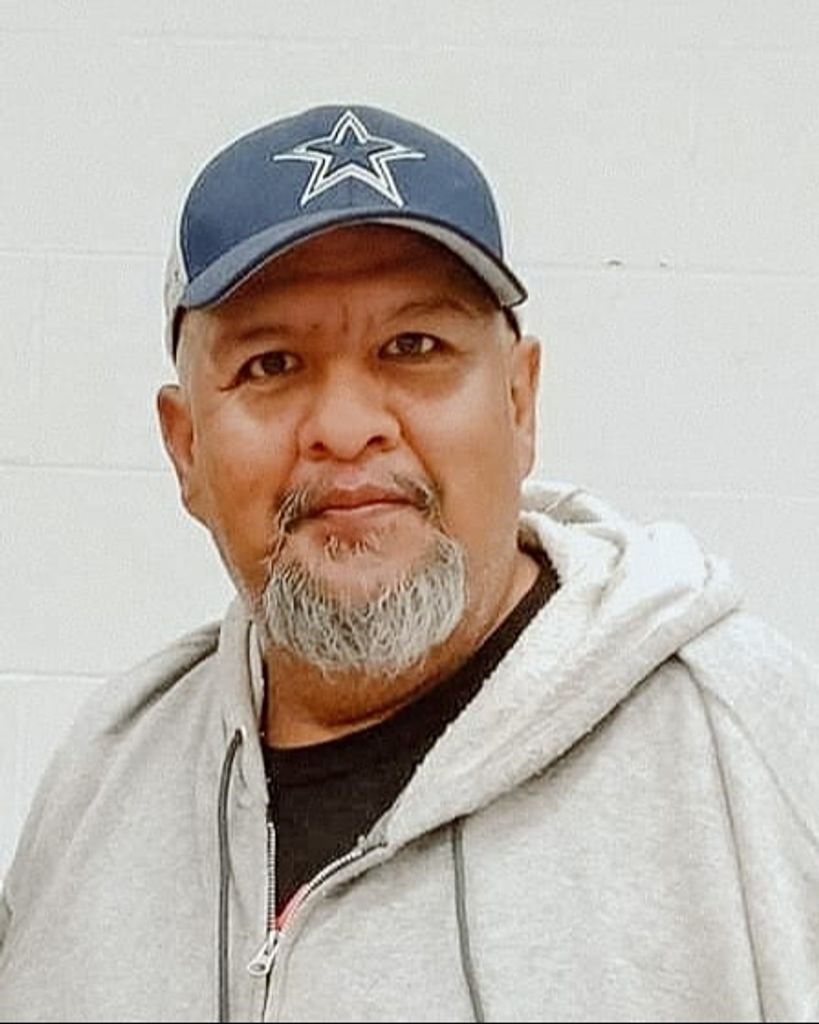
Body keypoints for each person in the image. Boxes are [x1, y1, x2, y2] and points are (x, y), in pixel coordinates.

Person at [0, 103, 817, 1024]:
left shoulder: (736, 744)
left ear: (519, 404)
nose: (346, 428)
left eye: (413, 348)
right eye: (271, 364)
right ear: (186, 448)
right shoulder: (107, 777)